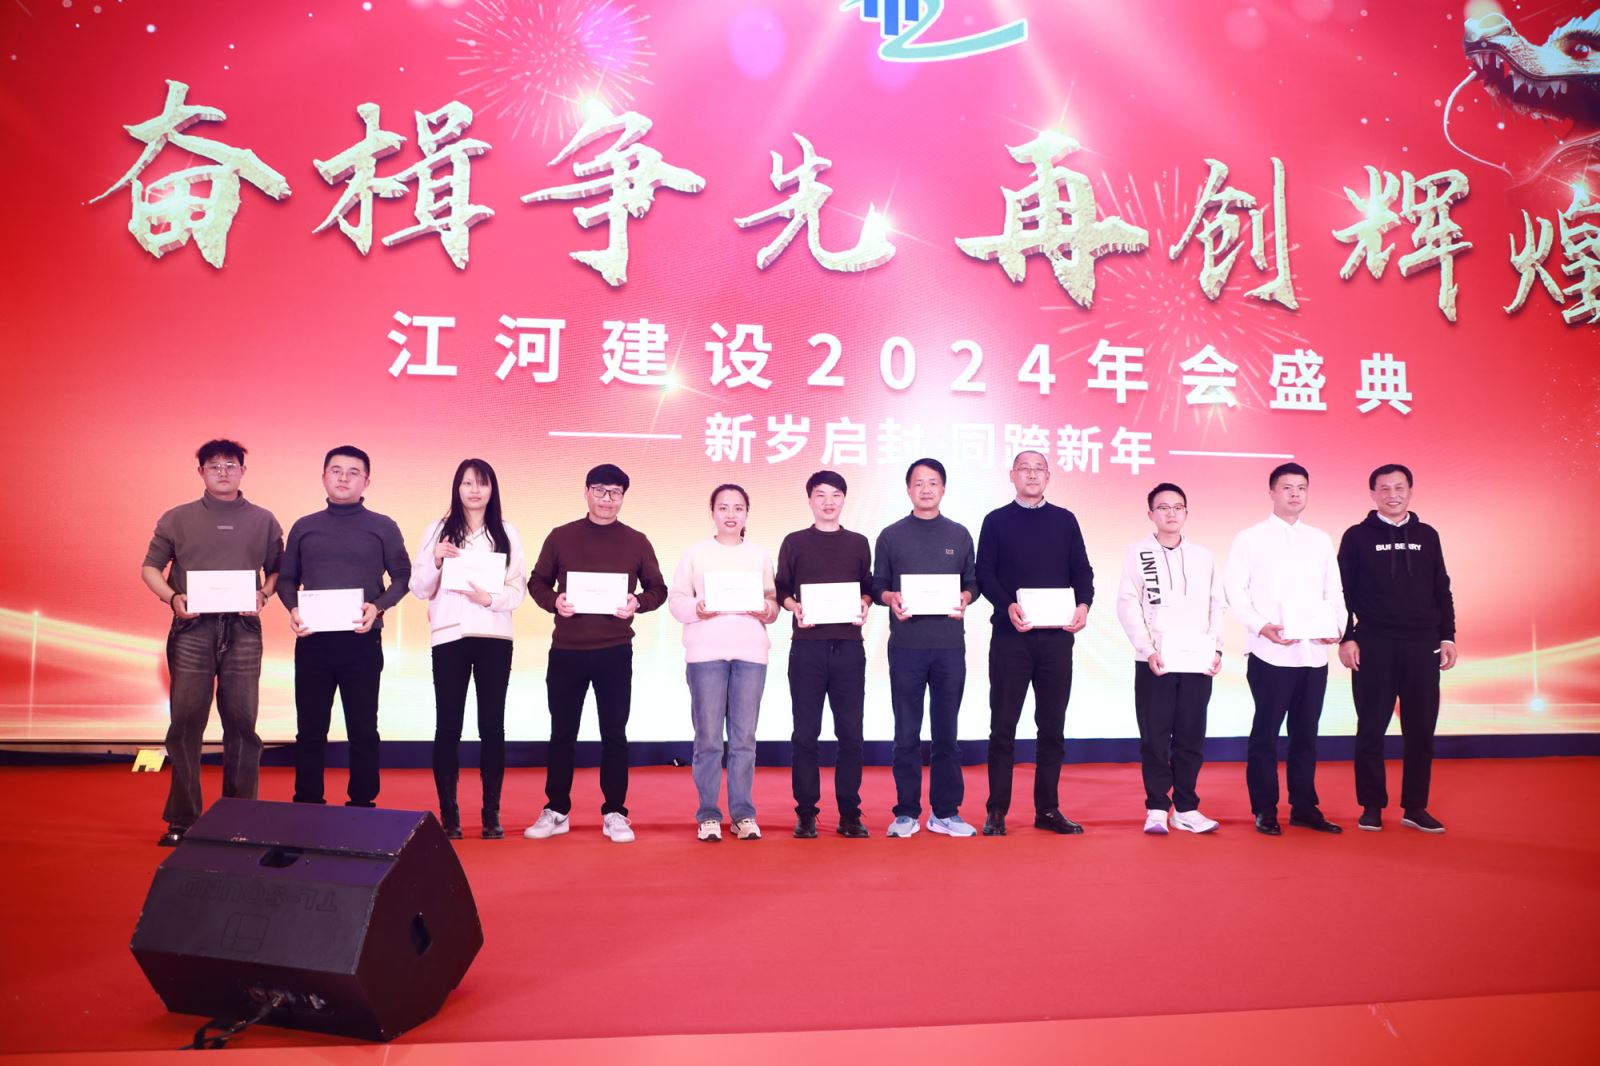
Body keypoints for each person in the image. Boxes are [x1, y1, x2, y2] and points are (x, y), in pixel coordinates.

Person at [141, 439, 283, 846]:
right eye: (214, 465)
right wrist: (173, 598)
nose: (223, 472)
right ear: (200, 472)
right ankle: (183, 819)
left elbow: (276, 571)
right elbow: (150, 568)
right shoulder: (177, 518)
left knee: (242, 723)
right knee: (186, 723)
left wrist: (263, 595)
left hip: (242, 629)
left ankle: (239, 819)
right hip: (192, 628)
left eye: (230, 465)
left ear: (242, 471)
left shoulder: (264, 520)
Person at [524, 464, 666, 844]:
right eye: (600, 490)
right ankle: (556, 810)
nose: (607, 499)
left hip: (614, 651)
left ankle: (615, 812)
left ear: (623, 497)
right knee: (562, 733)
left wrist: (637, 602)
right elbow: (537, 582)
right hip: (567, 651)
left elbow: (658, 589)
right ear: (586, 492)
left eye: (615, 492)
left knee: (614, 734)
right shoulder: (561, 536)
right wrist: (554, 601)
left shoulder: (637, 541)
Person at [278, 446, 411, 808]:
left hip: (361, 639)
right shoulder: (305, 526)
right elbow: (286, 578)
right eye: (336, 471)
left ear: (366, 481)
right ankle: (308, 803)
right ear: (324, 477)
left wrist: (378, 607)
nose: (343, 478)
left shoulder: (383, 526)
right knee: (310, 729)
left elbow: (403, 576)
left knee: (363, 729)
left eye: (353, 473)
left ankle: (362, 804)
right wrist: (293, 608)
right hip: (313, 640)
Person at [976, 450, 1095, 836]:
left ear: (1048, 476)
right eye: (1024, 469)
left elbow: (1082, 570)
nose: (1031, 474)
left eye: (1038, 469)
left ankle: (1047, 809)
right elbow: (984, 573)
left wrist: (1083, 604)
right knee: (1003, 726)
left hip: (1057, 640)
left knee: (1052, 727)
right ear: (1012, 475)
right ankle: (997, 810)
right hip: (1011, 637)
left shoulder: (1065, 520)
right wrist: (1007, 604)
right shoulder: (996, 521)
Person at [409, 459, 527, 841]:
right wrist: (437, 559)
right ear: (456, 488)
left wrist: (489, 598)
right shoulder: (437, 530)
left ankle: (491, 813)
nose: (475, 491)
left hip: (494, 636)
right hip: (450, 637)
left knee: (492, 726)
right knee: (448, 725)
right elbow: (419, 587)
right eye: (467, 483)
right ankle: (450, 814)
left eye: (482, 483)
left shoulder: (506, 532)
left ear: (493, 489)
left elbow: (518, 589)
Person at [1225, 462, 1346, 836]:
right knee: (1265, 734)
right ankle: (1264, 809)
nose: (1295, 494)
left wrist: (1337, 627)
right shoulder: (1250, 538)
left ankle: (1304, 807)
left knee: (1306, 734)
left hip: (1313, 653)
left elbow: (1334, 590)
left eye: (1301, 488)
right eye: (1287, 487)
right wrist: (1261, 626)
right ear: (1272, 492)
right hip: (1270, 652)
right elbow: (1235, 591)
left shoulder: (1320, 539)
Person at [1338, 464, 1457, 834]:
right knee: (1370, 729)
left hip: (1422, 644)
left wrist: (1447, 636)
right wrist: (1346, 637)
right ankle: (1371, 806)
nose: (1393, 494)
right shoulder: (1356, 536)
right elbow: (1341, 593)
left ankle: (1415, 807)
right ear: (1373, 493)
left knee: (1420, 730)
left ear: (1410, 490)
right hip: (1374, 643)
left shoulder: (1427, 535)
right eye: (1385, 488)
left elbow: (1442, 589)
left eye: (1399, 487)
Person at [874, 458, 980, 838]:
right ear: (908, 489)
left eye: (932, 482)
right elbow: (878, 585)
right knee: (906, 733)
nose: (925, 489)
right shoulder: (891, 535)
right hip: (907, 646)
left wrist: (966, 597)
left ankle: (945, 812)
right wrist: (890, 597)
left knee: (946, 733)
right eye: (918, 483)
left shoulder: (959, 534)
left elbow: (973, 583)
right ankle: (906, 812)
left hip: (949, 647)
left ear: (943, 489)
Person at [668, 484, 779, 842]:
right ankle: (708, 814)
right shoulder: (695, 554)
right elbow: (676, 601)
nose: (731, 514)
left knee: (744, 739)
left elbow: (773, 603)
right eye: (723, 507)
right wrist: (696, 608)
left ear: (747, 513)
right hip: (706, 653)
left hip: (750, 653)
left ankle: (743, 814)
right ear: (712, 512)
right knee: (709, 740)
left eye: (738, 508)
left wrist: (766, 609)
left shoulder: (759, 555)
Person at [1115, 482, 1225, 835]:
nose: (1171, 513)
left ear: (1186, 513)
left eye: (1177, 507)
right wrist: (1147, 649)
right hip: (1156, 661)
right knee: (1155, 738)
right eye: (1163, 507)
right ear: (1151, 514)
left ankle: (1187, 808)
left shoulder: (1203, 556)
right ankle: (1157, 807)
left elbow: (1217, 605)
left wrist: (1216, 648)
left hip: (1196, 661)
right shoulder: (1138, 553)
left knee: (1191, 737)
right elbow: (1128, 604)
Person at [775, 470, 873, 839]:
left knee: (851, 734)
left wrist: (865, 602)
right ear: (810, 500)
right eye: (820, 495)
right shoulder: (794, 542)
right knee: (805, 734)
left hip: (848, 647)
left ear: (844, 499)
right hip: (808, 647)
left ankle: (850, 813)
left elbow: (867, 587)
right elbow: (782, 587)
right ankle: (806, 813)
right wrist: (793, 606)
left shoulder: (858, 542)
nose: (828, 501)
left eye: (835, 494)